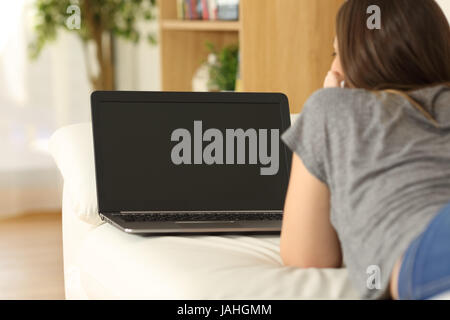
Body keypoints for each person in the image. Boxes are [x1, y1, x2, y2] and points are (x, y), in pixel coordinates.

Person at [280, 0, 450, 300]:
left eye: (337, 53)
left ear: (358, 59)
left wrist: (327, 104)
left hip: (427, 251)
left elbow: (307, 255)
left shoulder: (331, 108)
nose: (332, 65)